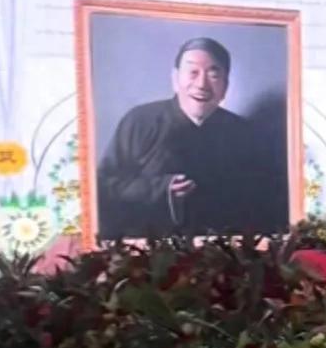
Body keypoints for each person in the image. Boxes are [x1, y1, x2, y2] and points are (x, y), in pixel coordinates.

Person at [96, 35, 289, 239]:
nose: (202, 84)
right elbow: (103, 186)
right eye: (193, 72)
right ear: (175, 79)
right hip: (150, 247)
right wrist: (160, 189)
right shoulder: (141, 122)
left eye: (213, 75)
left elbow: (264, 201)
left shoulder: (245, 134)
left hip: (224, 249)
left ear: (225, 86)